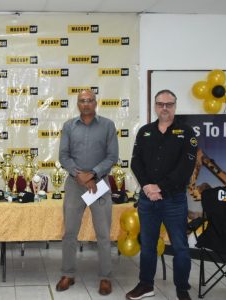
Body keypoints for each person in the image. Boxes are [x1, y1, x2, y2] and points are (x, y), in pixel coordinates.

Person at [127, 90, 197, 300]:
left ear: (175, 106)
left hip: (174, 200)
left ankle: (182, 288)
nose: (164, 108)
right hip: (148, 200)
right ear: (155, 106)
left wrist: (161, 188)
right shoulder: (145, 131)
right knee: (148, 245)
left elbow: (186, 167)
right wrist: (148, 187)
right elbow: (136, 162)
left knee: (180, 247)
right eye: (160, 104)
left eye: (169, 104)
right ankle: (146, 284)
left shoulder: (186, 132)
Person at [56, 89, 119, 295]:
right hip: (75, 185)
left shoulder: (108, 125)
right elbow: (63, 156)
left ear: (95, 102)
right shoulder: (68, 126)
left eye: (89, 100)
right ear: (78, 104)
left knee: (103, 234)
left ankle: (105, 277)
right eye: (82, 101)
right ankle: (68, 273)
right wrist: (79, 175)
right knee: (70, 233)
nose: (86, 104)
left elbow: (112, 157)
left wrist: (92, 174)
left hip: (99, 185)